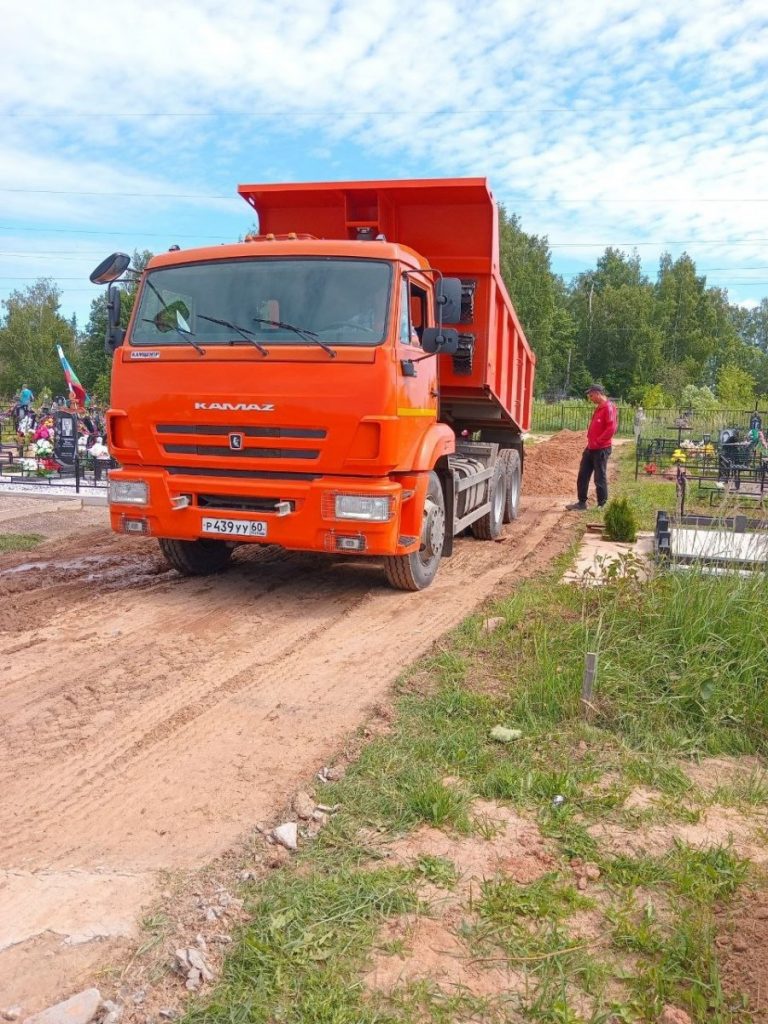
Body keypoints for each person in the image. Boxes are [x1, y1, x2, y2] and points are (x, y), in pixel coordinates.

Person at [566, 384, 618, 511]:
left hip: (601, 449)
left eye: (591, 395)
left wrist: (599, 441)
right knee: (583, 475)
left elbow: (611, 428)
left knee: (599, 477)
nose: (590, 398)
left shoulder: (608, 407)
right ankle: (581, 503)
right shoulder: (599, 407)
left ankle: (602, 504)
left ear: (598, 393)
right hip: (591, 448)